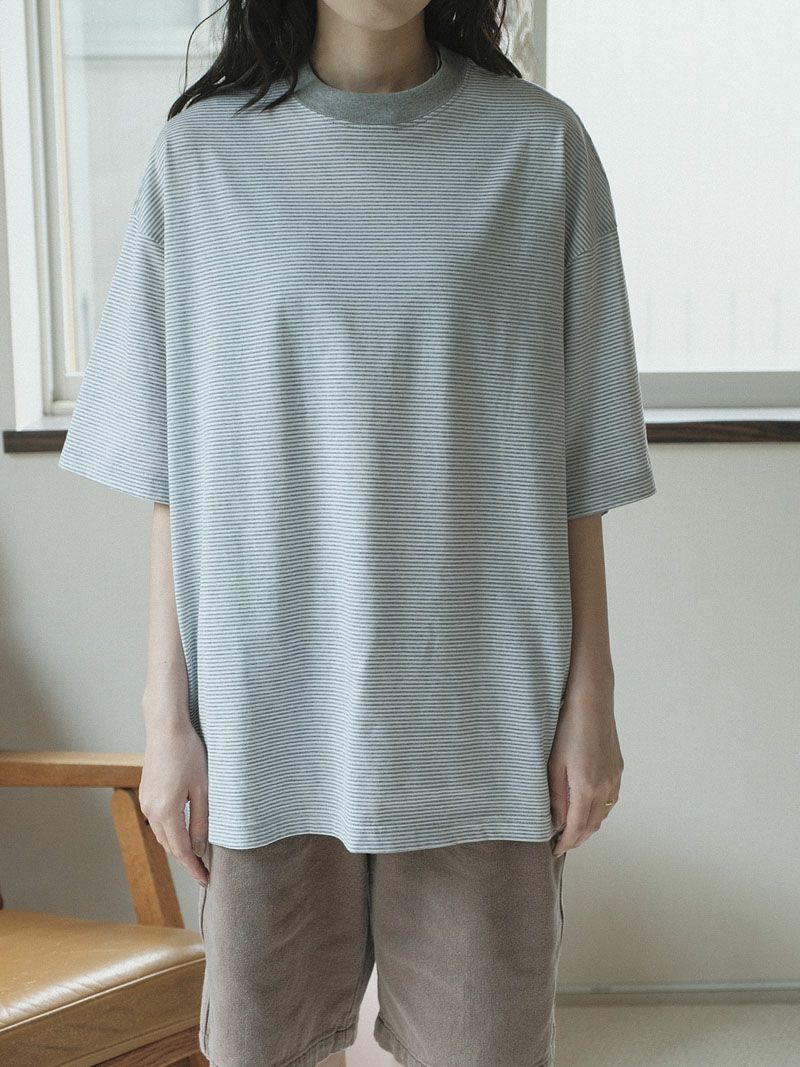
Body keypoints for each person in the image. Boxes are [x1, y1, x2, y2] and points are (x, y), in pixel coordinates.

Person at [58, 2, 657, 1065]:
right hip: (263, 720)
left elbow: (579, 463)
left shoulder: (538, 149)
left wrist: (591, 699)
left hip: (480, 721)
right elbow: (172, 474)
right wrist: (165, 717)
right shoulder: (201, 158)